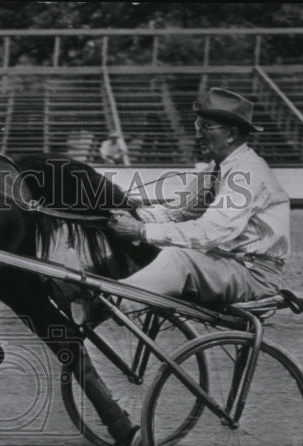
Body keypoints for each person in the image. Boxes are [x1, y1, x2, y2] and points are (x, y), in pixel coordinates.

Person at [107, 87, 290, 307]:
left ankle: (113, 301)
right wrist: (129, 214)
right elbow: (177, 212)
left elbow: (210, 231)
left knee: (179, 258)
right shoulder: (216, 168)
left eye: (205, 127)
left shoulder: (246, 173)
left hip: (253, 276)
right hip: (228, 265)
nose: (197, 134)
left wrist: (140, 230)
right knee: (156, 251)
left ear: (231, 134)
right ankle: (105, 292)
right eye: (197, 125)